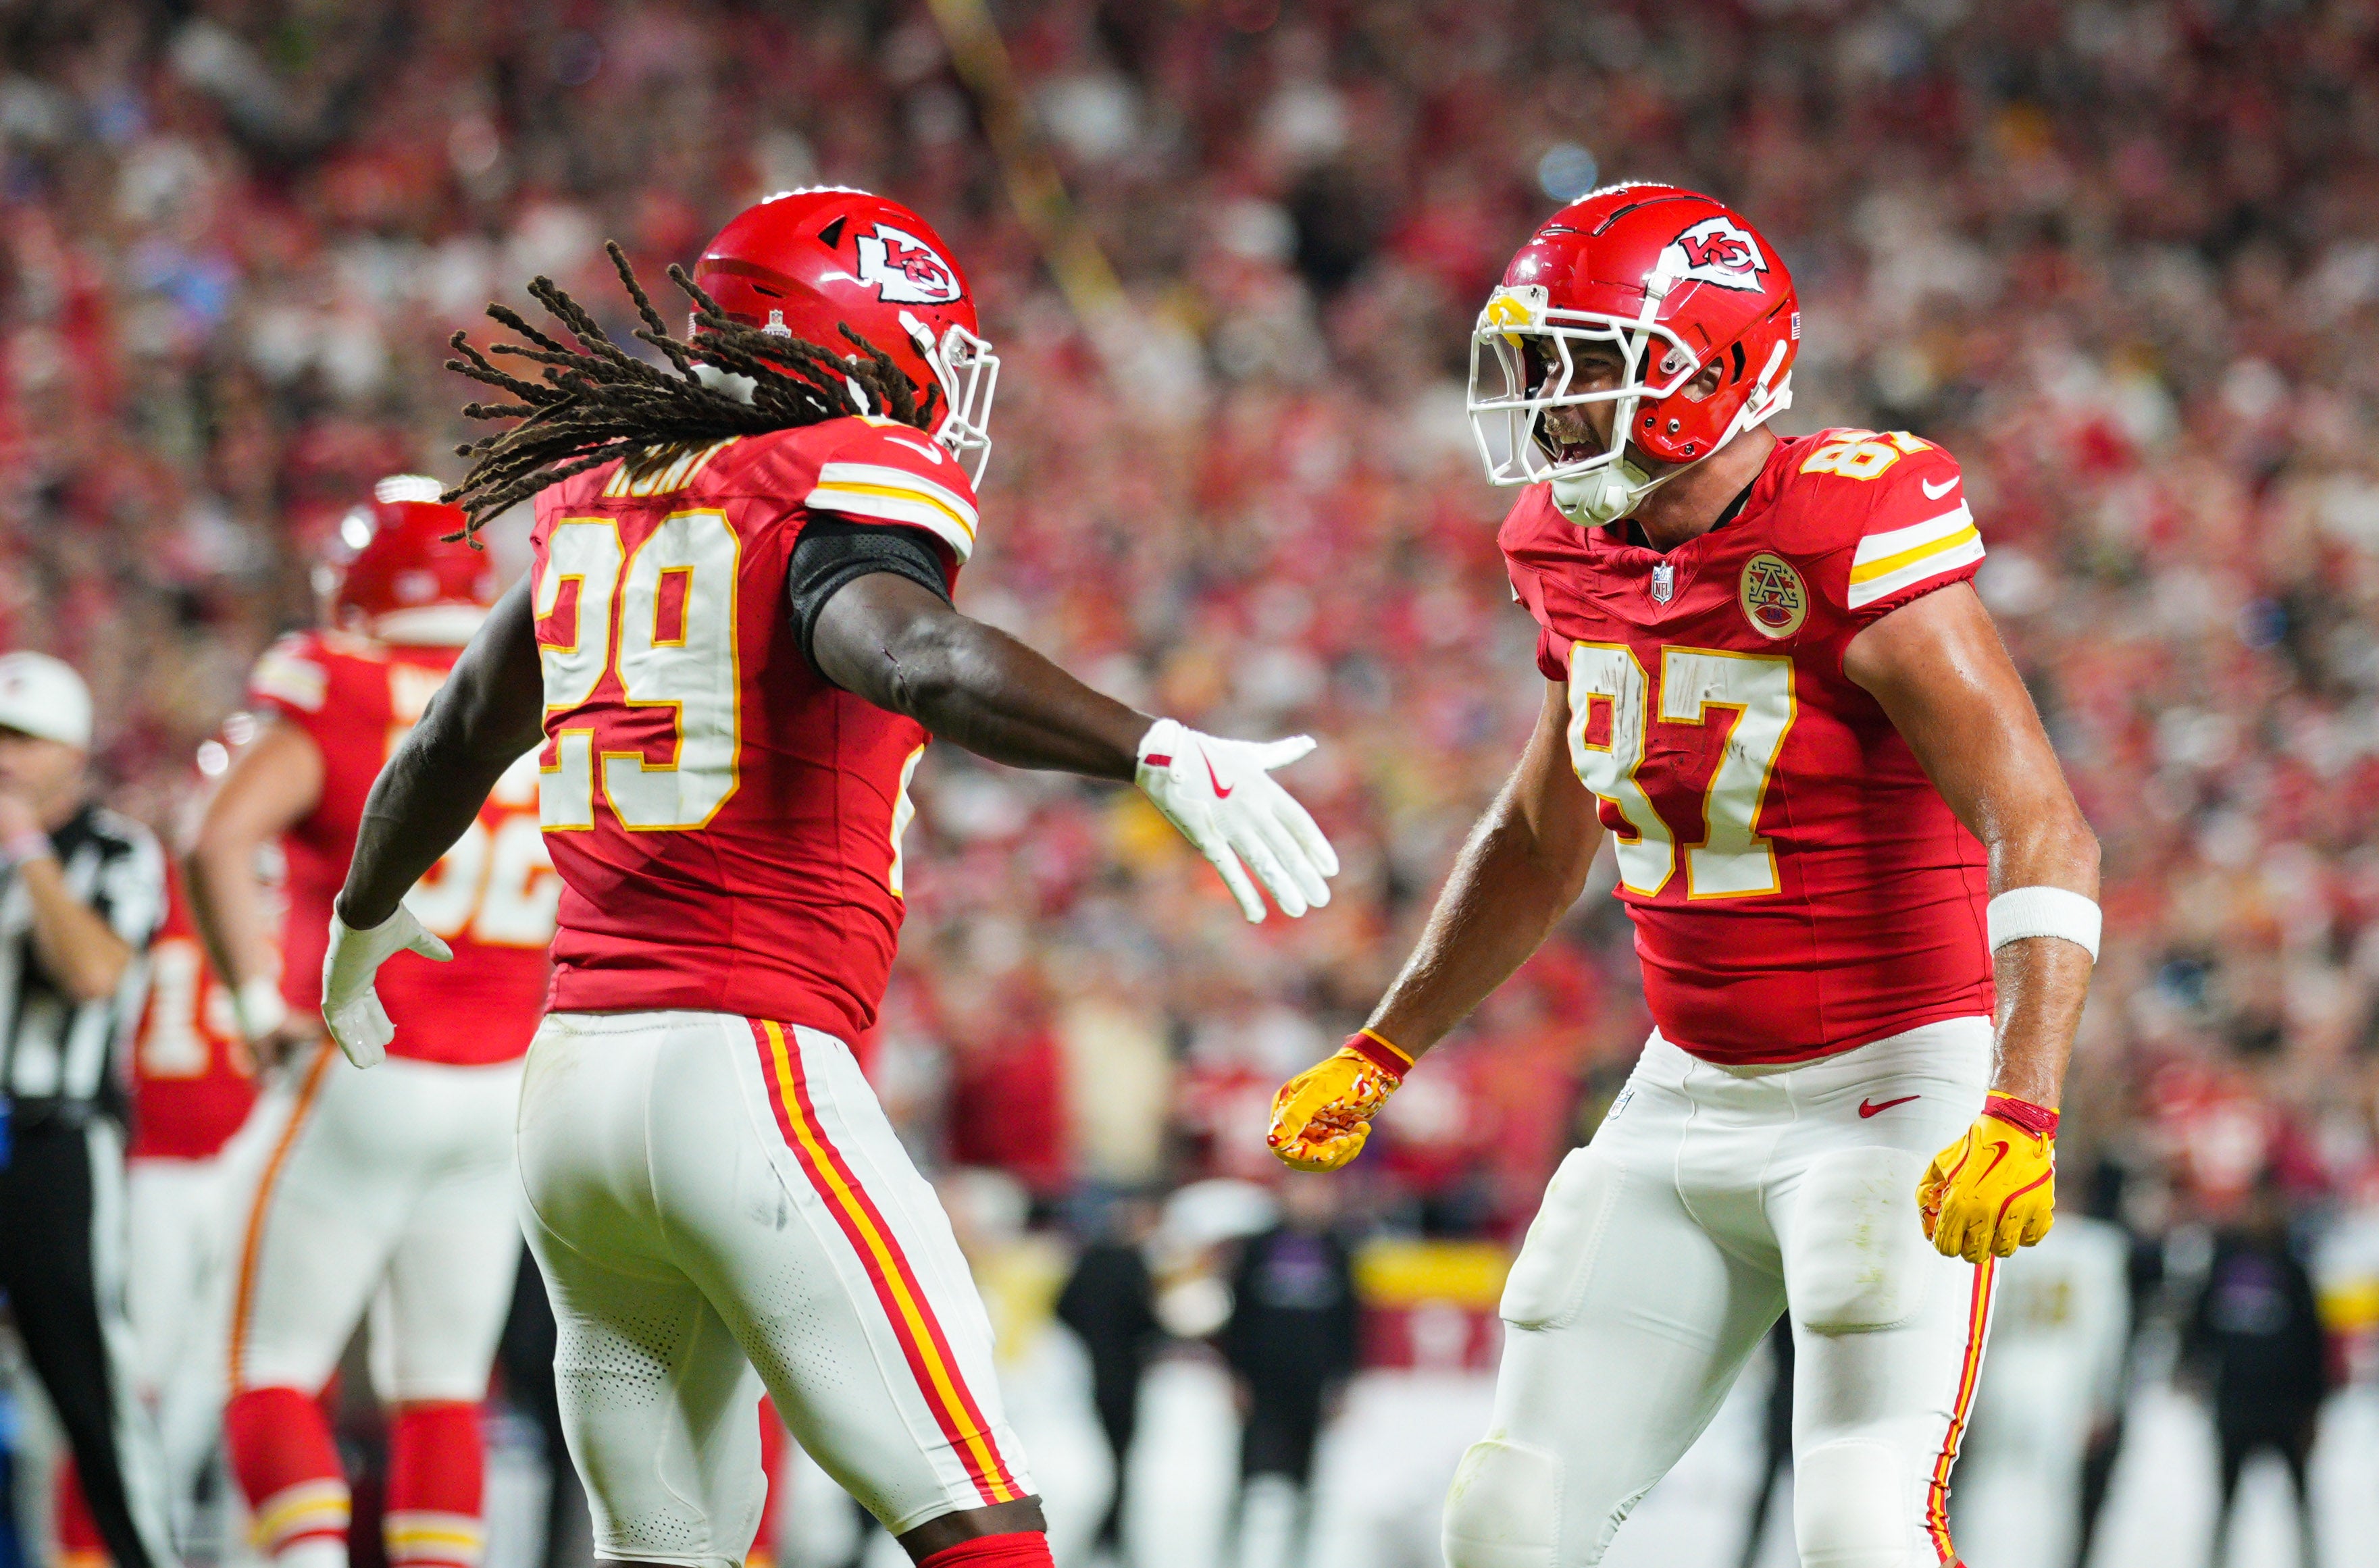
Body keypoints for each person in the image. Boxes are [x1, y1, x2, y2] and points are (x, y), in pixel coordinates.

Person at [314, 187, 1337, 1568]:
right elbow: (907, 653)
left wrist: (361, 915)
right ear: (854, 344)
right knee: (982, 1524)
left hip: (571, 1097)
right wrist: (1146, 747)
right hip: (748, 1070)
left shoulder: (597, 497)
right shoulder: (819, 485)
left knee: (666, 1549)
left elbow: (447, 738)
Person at [1267, 184, 2101, 1568]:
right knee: (1509, 1515)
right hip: (1687, 1087)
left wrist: (2022, 1101)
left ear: (1709, 365)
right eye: (1542, 360)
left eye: (1587, 358)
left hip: (1890, 1089)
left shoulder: (1848, 521)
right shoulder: (1561, 545)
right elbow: (1544, 836)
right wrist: (1382, 1046)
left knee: (1858, 1528)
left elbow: (2042, 821)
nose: (1550, 396)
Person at [183, 485, 554, 1568]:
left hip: (359, 1063)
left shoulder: (342, 680)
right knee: (439, 1383)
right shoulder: (546, 680)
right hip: (499, 1086)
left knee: (265, 1362)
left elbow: (216, 836)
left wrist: (256, 1004)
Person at [55, 758, 265, 1562]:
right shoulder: (152, 882)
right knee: (135, 1384)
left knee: (229, 1385)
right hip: (160, 1161)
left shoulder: (249, 882)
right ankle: (103, 1548)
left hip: (239, 1163)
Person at [0, 651, 176, 1568]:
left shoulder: (114, 850)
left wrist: (27, 853)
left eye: (22, 740)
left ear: (71, 752)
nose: (3, 758)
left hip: (54, 1143)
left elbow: (93, 971)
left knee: (90, 1389)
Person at [2185, 1180, 2332, 1568]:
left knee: (2300, 1500)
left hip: (2285, 1409)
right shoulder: (2224, 1263)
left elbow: (2314, 1341)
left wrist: (2315, 1406)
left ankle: (2311, 1559)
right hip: (2236, 1405)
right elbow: (2201, 1326)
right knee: (2225, 1500)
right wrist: (2193, 1370)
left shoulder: (2294, 1269)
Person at [1218, 1179, 1357, 1568]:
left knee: (1307, 1481)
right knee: (1246, 1478)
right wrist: (1234, 1375)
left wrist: (1344, 1381)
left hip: (1312, 1382)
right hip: (1263, 1380)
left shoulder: (1339, 1248)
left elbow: (1350, 1320)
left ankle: (1298, 1556)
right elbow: (1239, 1316)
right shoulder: (1258, 1246)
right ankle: (1231, 1554)